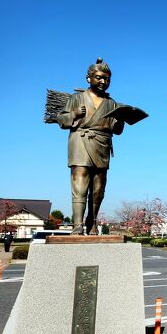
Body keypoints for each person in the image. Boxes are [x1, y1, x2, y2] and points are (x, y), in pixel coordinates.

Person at [56, 59, 125, 235]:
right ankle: (77, 224)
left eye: (107, 79)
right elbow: (61, 120)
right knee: (80, 179)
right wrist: (74, 114)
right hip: (80, 138)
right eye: (99, 77)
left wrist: (122, 119)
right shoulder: (77, 98)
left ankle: (92, 221)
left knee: (98, 186)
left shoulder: (111, 103)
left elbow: (117, 130)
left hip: (102, 143)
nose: (103, 82)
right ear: (89, 78)